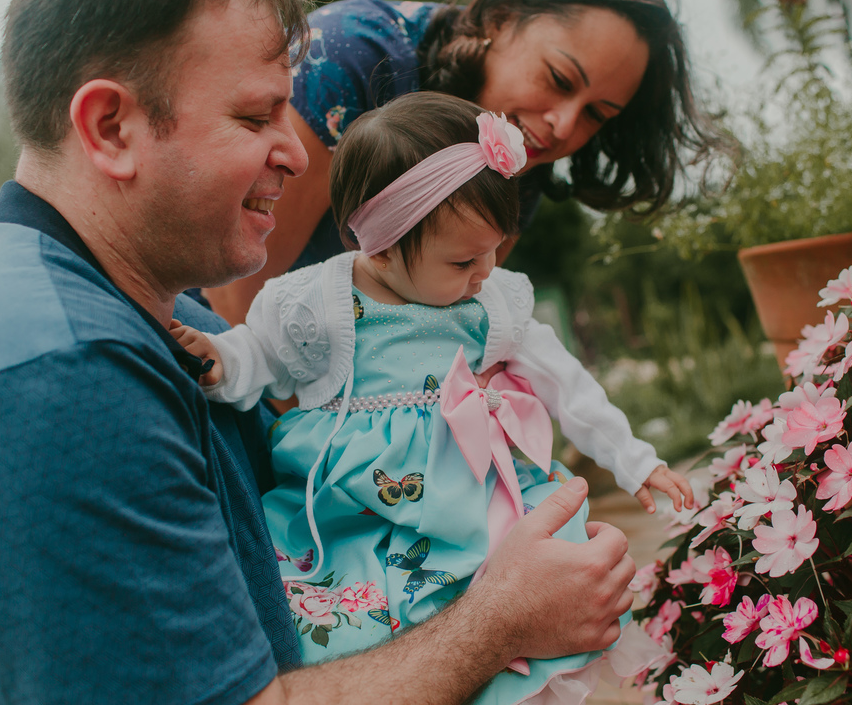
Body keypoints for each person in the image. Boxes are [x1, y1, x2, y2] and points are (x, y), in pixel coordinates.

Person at [0, 0, 638, 705]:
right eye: (255, 115)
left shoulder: (182, 332)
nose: (301, 152)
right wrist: (500, 622)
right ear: (111, 126)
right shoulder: (44, 375)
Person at [170, 91, 693, 703]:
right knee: (354, 623)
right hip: (354, 511)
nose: (484, 271)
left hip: (469, 498)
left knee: (523, 606)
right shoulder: (319, 302)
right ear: (383, 247)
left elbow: (567, 383)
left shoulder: (492, 302)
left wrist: (636, 461)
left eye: (495, 247)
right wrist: (220, 361)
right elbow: (259, 355)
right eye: (464, 258)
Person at [204, 0, 722, 326]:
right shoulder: (355, 58)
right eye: (559, 80)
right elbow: (233, 301)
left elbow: (442, 325)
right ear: (500, 18)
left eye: (596, 116)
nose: (564, 127)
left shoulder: (521, 164)